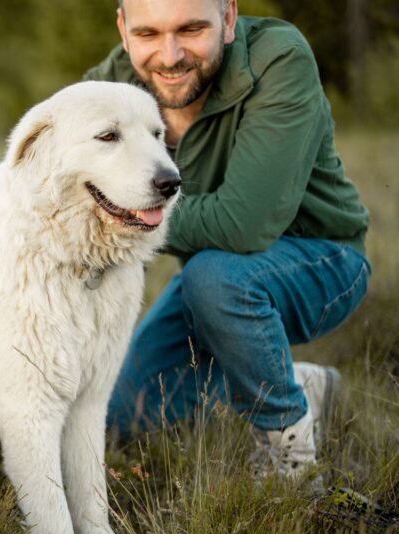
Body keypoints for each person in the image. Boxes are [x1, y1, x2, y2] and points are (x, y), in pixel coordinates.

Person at [85, 0, 371, 483]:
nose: (170, 55)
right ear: (123, 27)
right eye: (149, 33)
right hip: (212, 277)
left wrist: (120, 212)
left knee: (215, 277)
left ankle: (291, 459)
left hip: (323, 259)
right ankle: (298, 384)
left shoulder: (279, 59)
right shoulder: (109, 84)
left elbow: (242, 225)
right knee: (124, 411)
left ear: (229, 18)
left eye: (192, 28)